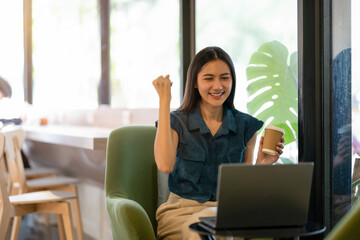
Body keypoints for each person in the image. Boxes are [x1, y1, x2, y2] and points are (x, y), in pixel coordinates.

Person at [152, 46, 284, 240]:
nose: (218, 86)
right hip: (180, 213)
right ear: (195, 82)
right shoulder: (177, 122)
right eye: (208, 78)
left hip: (228, 213)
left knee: (212, 228)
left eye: (224, 77)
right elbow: (164, 164)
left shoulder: (245, 126)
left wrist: (262, 165)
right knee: (203, 230)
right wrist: (165, 100)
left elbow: (243, 189)